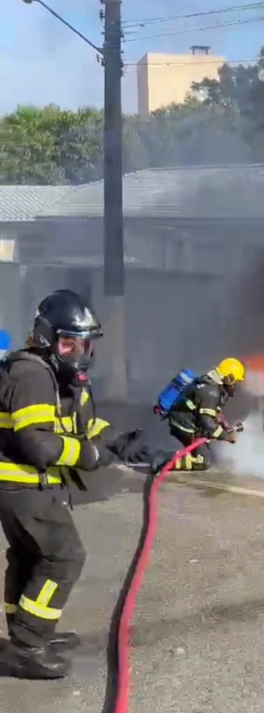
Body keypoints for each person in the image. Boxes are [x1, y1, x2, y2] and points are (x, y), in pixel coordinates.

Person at [0, 290, 166, 679]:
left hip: (29, 486)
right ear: (45, 338)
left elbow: (86, 427)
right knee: (63, 557)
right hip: (22, 485)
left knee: (29, 558)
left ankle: (27, 632)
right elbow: (37, 443)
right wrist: (91, 457)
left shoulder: (60, 376)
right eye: (68, 341)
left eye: (84, 342)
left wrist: (124, 443)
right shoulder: (31, 374)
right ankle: (27, 644)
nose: (78, 351)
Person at [164, 358, 245, 471]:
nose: (234, 385)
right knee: (204, 461)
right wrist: (226, 436)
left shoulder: (210, 384)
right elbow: (207, 423)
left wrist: (220, 420)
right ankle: (165, 460)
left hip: (186, 420)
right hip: (184, 426)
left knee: (214, 453)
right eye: (235, 381)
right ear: (229, 378)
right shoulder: (211, 391)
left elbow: (208, 410)